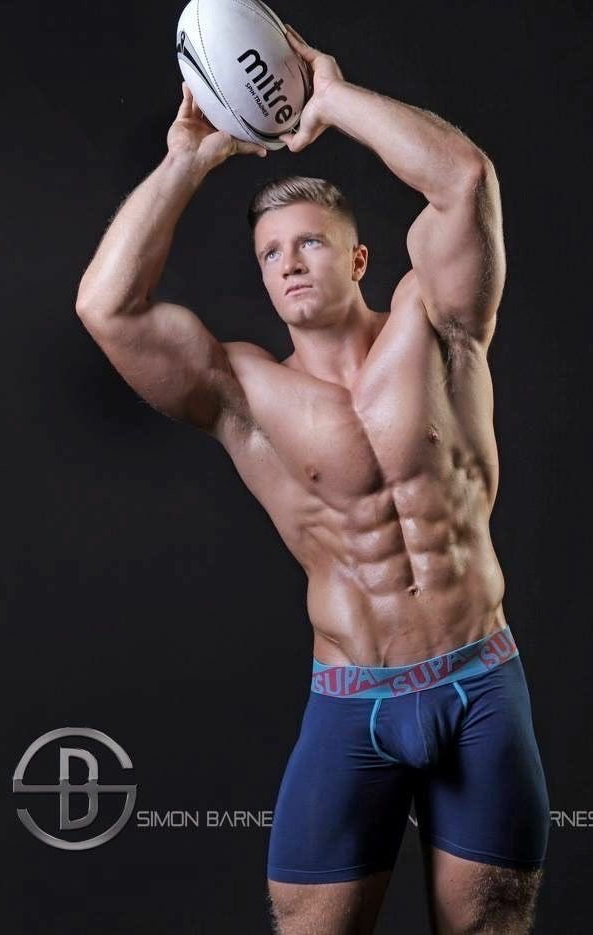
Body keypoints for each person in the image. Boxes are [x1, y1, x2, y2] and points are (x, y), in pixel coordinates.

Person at [75, 22, 550, 935]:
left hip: (478, 682)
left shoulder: (437, 323)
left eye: (310, 243)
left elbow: (464, 180)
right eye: (270, 253)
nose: (289, 262)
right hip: (352, 703)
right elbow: (107, 306)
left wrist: (332, 100)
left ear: (359, 258)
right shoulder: (245, 392)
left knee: (490, 923)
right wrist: (185, 160)